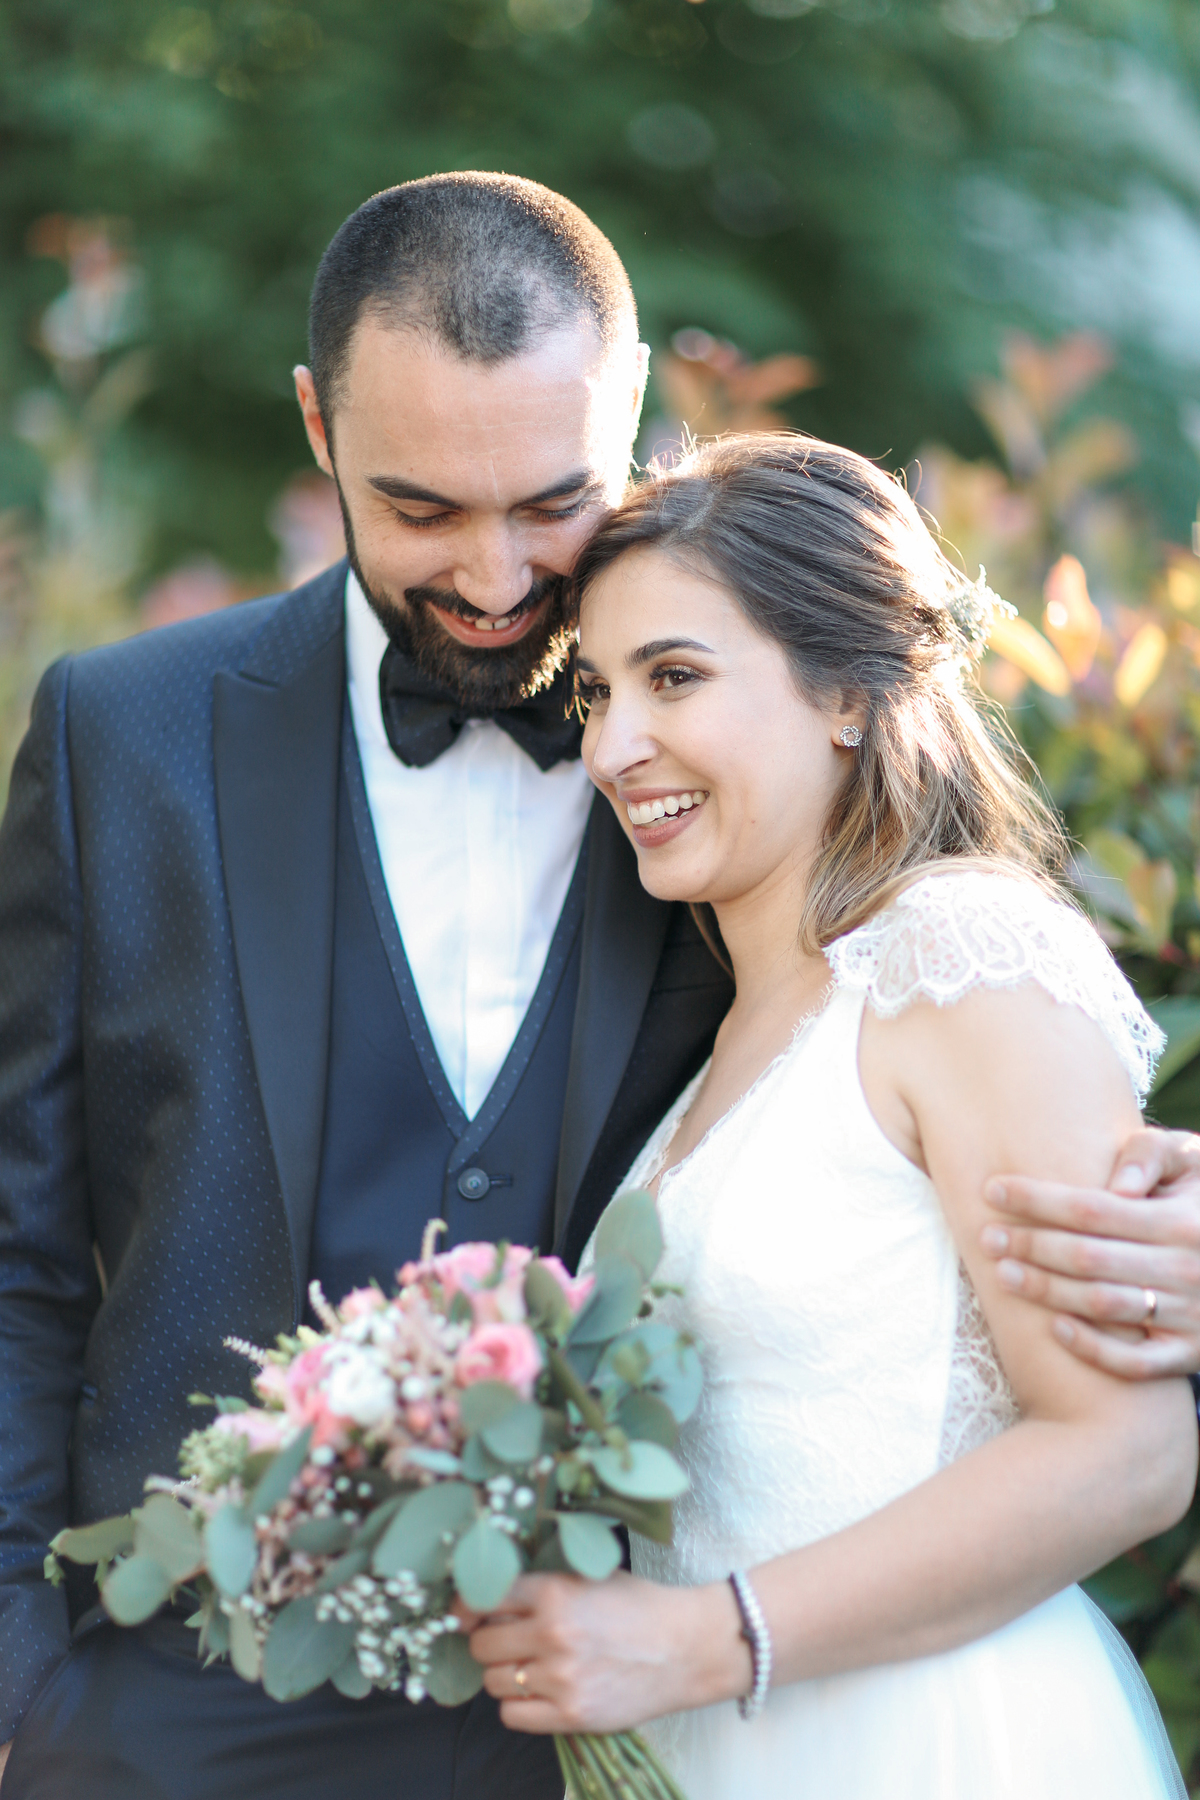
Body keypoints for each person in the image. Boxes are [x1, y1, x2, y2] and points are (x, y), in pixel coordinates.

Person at [0, 174, 1196, 1797]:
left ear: (632, 420)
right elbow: (19, 1249)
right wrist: (23, 1691)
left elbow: (980, 1194)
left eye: (549, 502)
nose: (497, 580)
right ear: (316, 426)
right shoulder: (117, 740)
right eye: (422, 508)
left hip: (623, 1735)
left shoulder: (748, 795)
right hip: (180, 1713)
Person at [466, 434, 1198, 1798]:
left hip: (928, 1741)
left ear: (850, 693)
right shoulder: (724, 1019)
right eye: (599, 690)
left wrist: (707, 1638)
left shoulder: (962, 956)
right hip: (715, 1746)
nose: (616, 745)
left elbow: (1129, 1448)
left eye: (675, 677)